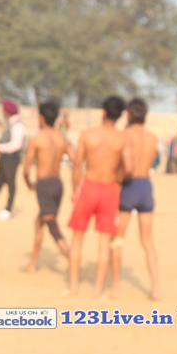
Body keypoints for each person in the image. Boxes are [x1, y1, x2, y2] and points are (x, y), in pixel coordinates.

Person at [67, 96, 131, 297]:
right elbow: (129, 167)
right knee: (104, 243)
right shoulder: (122, 139)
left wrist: (74, 189)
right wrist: (119, 180)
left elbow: (77, 164)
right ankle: (97, 290)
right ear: (119, 116)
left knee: (77, 239)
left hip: (88, 186)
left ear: (103, 112)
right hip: (110, 189)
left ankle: (73, 287)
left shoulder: (88, 135)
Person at [111, 98, 160, 299]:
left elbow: (123, 165)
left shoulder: (124, 135)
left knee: (118, 238)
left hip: (128, 187)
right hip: (146, 186)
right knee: (147, 241)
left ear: (129, 115)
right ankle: (155, 288)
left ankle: (115, 287)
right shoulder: (152, 138)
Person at [21, 100, 71, 272]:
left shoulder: (37, 139)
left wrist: (28, 183)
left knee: (52, 226)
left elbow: (26, 169)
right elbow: (76, 159)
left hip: (44, 185)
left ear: (41, 118)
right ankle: (32, 264)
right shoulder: (62, 139)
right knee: (39, 222)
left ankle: (72, 258)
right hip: (58, 184)